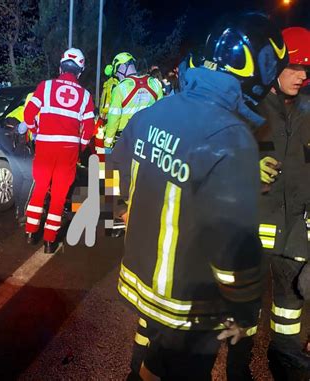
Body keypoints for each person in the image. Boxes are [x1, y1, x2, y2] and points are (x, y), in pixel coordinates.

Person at [111, 13, 288, 380]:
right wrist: (243, 307)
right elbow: (231, 247)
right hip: (188, 303)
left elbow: (108, 173)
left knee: (149, 362)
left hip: (141, 282)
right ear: (254, 67)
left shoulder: (155, 112)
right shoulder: (231, 137)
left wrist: (117, 216)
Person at [255, 26, 310, 380]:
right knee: (242, 310)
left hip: (294, 233)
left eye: (307, 69)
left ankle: (286, 361)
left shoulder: (309, 114)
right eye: (294, 67)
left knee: (290, 309)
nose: (302, 75)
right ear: (273, 65)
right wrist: (249, 168)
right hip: (253, 231)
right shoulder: (250, 111)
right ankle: (236, 366)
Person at [22, 48, 95, 253]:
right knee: (59, 195)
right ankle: (49, 241)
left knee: (40, 188)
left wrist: (35, 132)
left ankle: (30, 232)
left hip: (45, 147)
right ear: (80, 71)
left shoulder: (45, 87)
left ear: (61, 67)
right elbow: (88, 129)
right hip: (68, 150)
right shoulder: (85, 95)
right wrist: (80, 146)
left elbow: (28, 115)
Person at [104, 52, 163, 149]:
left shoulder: (120, 88)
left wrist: (107, 143)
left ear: (122, 68)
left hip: (126, 138)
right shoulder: (155, 84)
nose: (118, 76)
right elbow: (161, 113)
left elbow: (114, 118)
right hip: (148, 138)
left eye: (117, 72)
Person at [0, 93, 35, 225]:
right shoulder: (40, 110)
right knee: (30, 176)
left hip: (2, 135)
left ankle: (18, 209)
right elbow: (33, 133)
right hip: (14, 137)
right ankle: (23, 213)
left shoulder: (23, 107)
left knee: (19, 174)